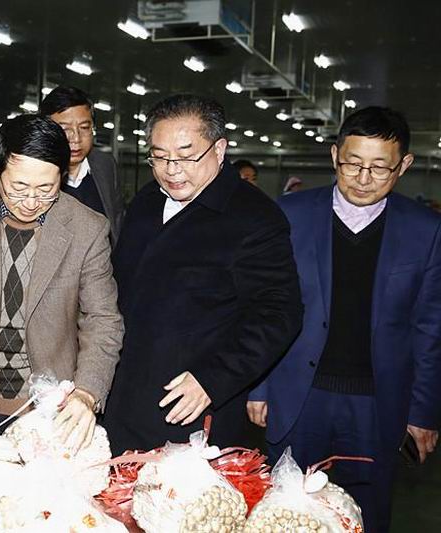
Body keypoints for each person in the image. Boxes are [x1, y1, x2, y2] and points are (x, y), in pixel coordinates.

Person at [247, 106, 441, 532]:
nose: (363, 178)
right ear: (335, 155)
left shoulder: (426, 231)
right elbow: (263, 305)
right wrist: (258, 385)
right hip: (298, 396)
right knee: (284, 514)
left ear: (405, 164)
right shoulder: (290, 215)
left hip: (377, 404)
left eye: (380, 167)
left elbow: (430, 330)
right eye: (353, 163)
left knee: (366, 515)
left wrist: (423, 412)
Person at [103, 94, 303, 454]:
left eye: (186, 156)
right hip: (123, 394)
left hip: (190, 405)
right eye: (159, 156)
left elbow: (277, 314)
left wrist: (213, 379)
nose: (172, 170)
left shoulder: (253, 216)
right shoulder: (147, 201)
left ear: (219, 149)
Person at [0, 114, 123, 449]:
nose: (31, 202)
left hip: (51, 411)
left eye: (46, 189)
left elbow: (102, 320)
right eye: (18, 187)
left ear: (62, 175)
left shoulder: (87, 228)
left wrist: (87, 393)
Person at [39, 86, 124, 245]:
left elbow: (117, 220)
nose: (76, 138)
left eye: (84, 128)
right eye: (65, 130)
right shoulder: (34, 172)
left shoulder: (105, 165)